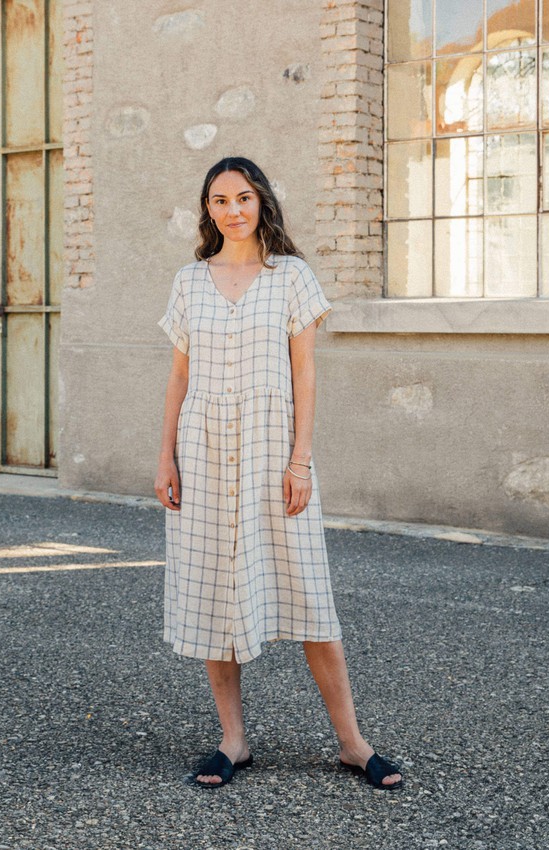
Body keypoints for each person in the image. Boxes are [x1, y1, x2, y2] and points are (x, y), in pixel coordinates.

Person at [155, 157, 403, 791]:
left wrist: (301, 460)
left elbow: (305, 376)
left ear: (262, 201)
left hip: (273, 453)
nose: (232, 210)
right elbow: (179, 378)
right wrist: (164, 458)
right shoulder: (189, 281)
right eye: (219, 201)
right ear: (207, 210)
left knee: (309, 599)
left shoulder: (291, 276)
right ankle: (232, 741)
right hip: (203, 451)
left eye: (243, 197)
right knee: (215, 595)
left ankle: (352, 743)